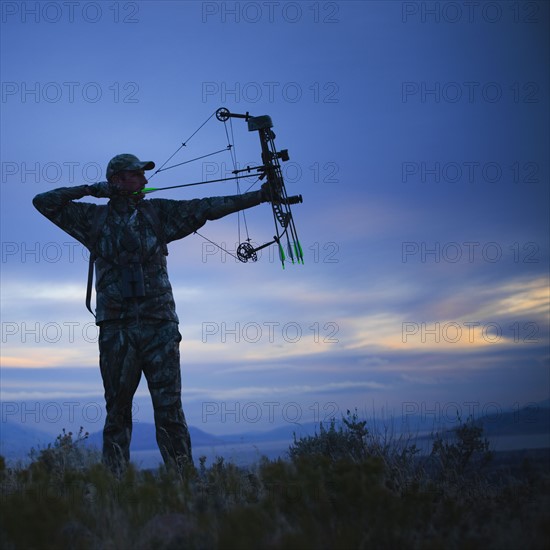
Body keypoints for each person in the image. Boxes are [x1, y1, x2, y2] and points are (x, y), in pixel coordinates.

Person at [33, 153, 271, 476]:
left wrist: (259, 196)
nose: (144, 181)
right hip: (117, 331)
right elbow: (43, 202)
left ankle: (185, 488)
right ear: (116, 180)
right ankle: (115, 492)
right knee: (117, 413)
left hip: (160, 328)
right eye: (136, 175)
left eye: (143, 176)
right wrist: (91, 189)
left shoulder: (159, 213)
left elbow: (206, 207)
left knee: (170, 412)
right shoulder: (93, 219)